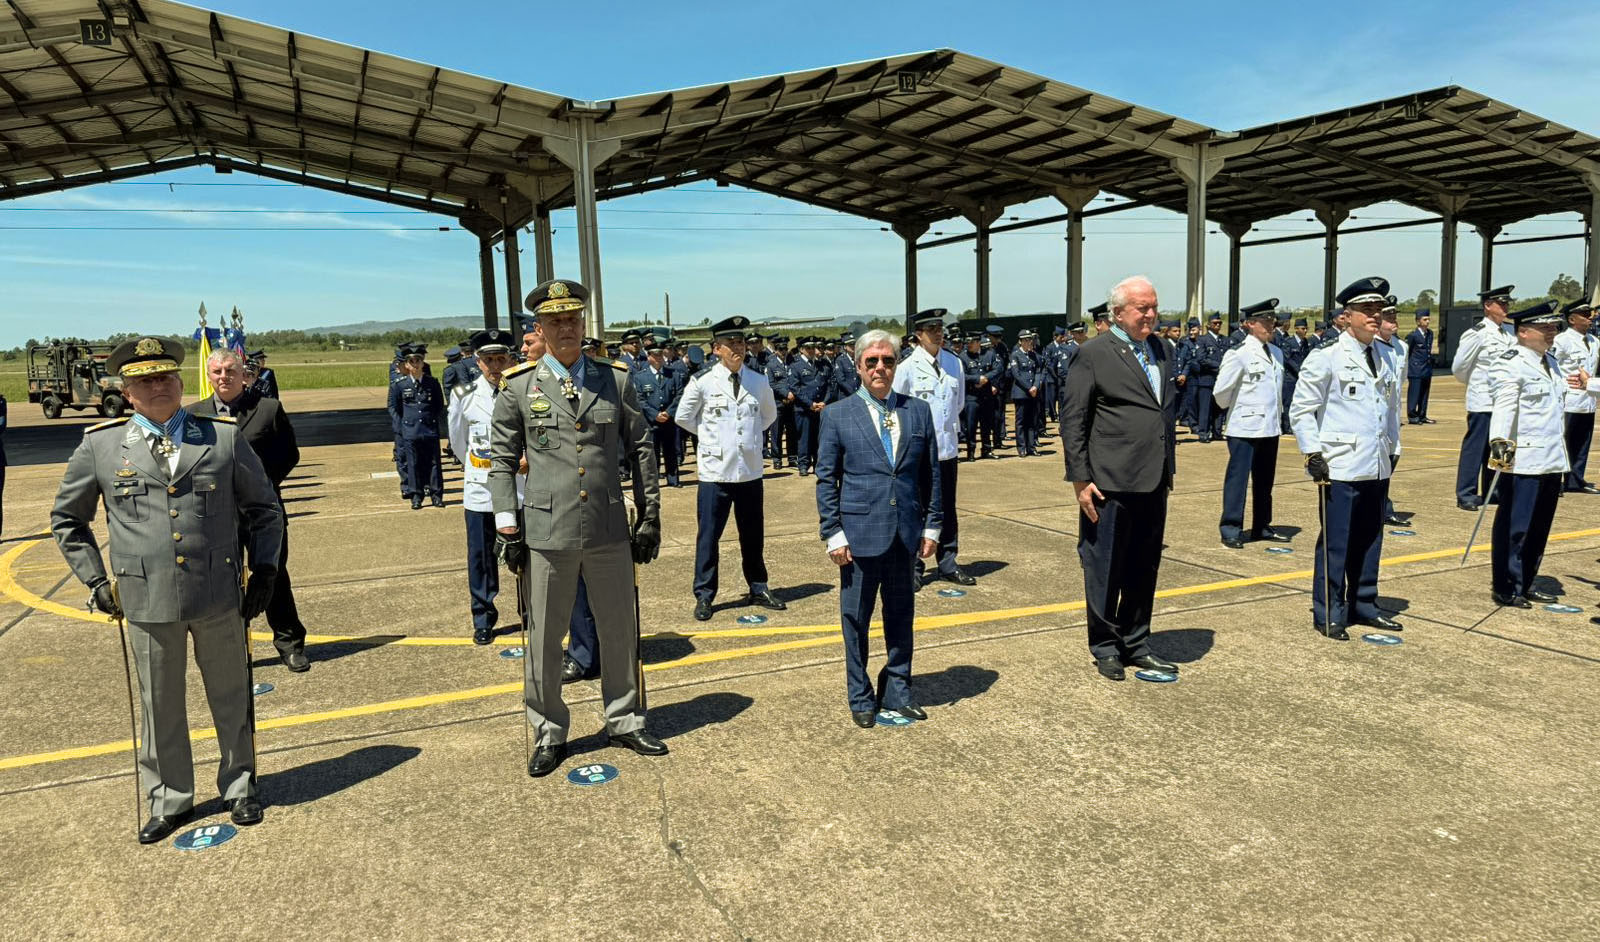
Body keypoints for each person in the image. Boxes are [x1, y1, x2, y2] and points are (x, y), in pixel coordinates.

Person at [51, 336, 282, 843]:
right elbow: (67, 519)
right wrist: (95, 580)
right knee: (159, 705)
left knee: (232, 696)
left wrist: (265, 568)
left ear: (180, 384)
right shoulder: (101, 446)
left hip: (217, 593)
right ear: (127, 392)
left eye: (165, 377)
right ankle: (170, 798)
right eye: (146, 380)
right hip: (146, 598)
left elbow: (264, 509)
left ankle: (240, 786)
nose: (158, 386)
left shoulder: (221, 438)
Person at [490, 278, 666, 778]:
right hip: (547, 533)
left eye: (572, 319)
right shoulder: (519, 385)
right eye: (555, 321)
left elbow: (642, 448)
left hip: (608, 527)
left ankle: (625, 719)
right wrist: (507, 526)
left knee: (619, 631)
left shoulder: (615, 379)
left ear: (583, 323)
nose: (566, 328)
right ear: (540, 328)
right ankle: (549, 730)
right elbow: (500, 461)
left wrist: (649, 514)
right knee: (546, 639)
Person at [815, 329, 941, 727]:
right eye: (872, 361)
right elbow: (826, 479)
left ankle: (898, 690)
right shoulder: (837, 415)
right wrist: (833, 533)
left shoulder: (917, 411)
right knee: (856, 621)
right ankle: (861, 696)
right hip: (858, 537)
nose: (880, 368)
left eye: (887, 360)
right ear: (858, 366)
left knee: (901, 616)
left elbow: (931, 475)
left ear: (896, 364)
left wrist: (932, 527)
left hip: (905, 534)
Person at [1060, 276, 1181, 682]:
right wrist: (1080, 479)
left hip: (1154, 477)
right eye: (1142, 308)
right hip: (1108, 481)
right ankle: (1106, 646)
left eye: (1154, 306)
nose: (1151, 314)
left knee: (1144, 567)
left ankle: (1137, 642)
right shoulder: (1093, 353)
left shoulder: (1162, 349)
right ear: (1117, 313)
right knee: (1105, 568)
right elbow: (1074, 419)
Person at [1290, 277, 1405, 640]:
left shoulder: (1386, 354)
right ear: (1347, 315)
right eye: (1367, 309)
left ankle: (1364, 604)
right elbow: (1301, 410)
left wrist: (1394, 447)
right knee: (1336, 543)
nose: (1375, 316)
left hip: (1376, 462)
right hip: (1339, 465)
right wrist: (1312, 452)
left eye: (1379, 309)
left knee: (1371, 540)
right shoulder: (1327, 356)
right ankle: (1328, 611)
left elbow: (1391, 407)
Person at [190, 348, 309, 672]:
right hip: (216, 514)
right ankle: (231, 648)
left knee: (274, 576)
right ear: (209, 376)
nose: (224, 377)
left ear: (243, 374)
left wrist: (258, 486)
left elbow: (289, 454)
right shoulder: (194, 415)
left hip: (262, 514)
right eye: (217, 372)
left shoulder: (268, 409)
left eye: (230, 370)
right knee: (221, 581)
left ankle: (290, 643)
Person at [676, 316, 783, 621]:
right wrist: (713, 439)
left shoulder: (758, 381)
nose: (738, 348)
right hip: (716, 473)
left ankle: (758, 586)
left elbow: (768, 416)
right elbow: (684, 417)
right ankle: (704, 594)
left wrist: (748, 441)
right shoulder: (703, 382)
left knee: (753, 534)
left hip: (749, 471)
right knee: (709, 537)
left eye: (741, 342)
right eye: (730, 343)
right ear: (716, 349)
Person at [1488, 301, 1588, 607]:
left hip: (1552, 459)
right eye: (1544, 327)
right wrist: (1500, 448)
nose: (1551, 331)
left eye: (1553, 326)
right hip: (1524, 461)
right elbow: (1504, 408)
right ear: (1523, 332)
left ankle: (1526, 581)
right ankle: (1506, 586)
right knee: (1515, 527)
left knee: (1539, 526)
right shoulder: (1511, 362)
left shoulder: (1552, 362)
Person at [446, 328, 520, 646]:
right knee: (481, 557)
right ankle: (483, 617)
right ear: (478, 361)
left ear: (510, 359)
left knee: (525, 554)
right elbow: (458, 440)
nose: (495, 366)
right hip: (481, 487)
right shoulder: (464, 395)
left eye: (500, 359)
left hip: (518, 487)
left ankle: (530, 609)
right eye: (489, 360)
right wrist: (476, 468)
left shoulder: (521, 390)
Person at [894, 309, 974, 588]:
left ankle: (948, 562)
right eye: (931, 330)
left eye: (940, 329)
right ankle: (914, 567)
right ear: (919, 335)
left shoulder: (954, 363)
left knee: (947, 508)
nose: (938, 334)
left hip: (947, 449)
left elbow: (958, 403)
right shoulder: (906, 368)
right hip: (918, 453)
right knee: (917, 508)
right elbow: (897, 408)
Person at [1214, 298, 1290, 549]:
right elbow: (1221, 392)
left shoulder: (1276, 353)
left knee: (1265, 481)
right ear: (1250, 324)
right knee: (1238, 481)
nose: (1271, 325)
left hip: (1270, 427)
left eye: (1272, 321)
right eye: (1265, 321)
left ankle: (1262, 525)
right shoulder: (1238, 354)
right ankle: (1231, 528)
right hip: (1244, 427)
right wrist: (1239, 411)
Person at [1452, 286, 1517, 510]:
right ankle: (1466, 494)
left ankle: (1494, 491)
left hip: (1504, 401)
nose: (1506, 307)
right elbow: (1459, 368)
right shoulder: (1477, 333)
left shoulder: (1509, 332)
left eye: (1507, 303)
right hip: (1483, 400)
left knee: (1500, 445)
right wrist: (1478, 386)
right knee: (1476, 448)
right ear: (1488, 306)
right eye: (1501, 303)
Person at [388, 344, 445, 509]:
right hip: (410, 430)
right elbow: (394, 407)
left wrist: (430, 420)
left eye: (418, 361)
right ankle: (416, 496)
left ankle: (436, 495)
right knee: (412, 464)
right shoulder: (399, 385)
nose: (415, 364)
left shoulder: (432, 383)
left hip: (429, 429)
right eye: (411, 361)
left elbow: (438, 405)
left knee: (434, 463)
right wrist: (403, 424)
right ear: (406, 365)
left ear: (423, 362)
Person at [1552, 300, 1600, 494]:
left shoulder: (1594, 341)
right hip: (1568, 399)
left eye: (1590, 313)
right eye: (1585, 314)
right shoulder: (1561, 340)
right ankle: (1554, 481)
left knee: (1582, 442)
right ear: (1572, 319)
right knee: (1562, 442)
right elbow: (1551, 366)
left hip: (1588, 400)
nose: (1590, 317)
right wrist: (1562, 385)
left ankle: (1575, 480)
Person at [636, 338, 684, 488]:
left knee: (671, 450)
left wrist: (668, 412)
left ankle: (673, 479)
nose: (658, 358)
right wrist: (654, 414)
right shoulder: (640, 377)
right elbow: (640, 399)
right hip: (651, 421)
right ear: (649, 356)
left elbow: (680, 394)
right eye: (654, 355)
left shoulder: (673, 374)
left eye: (660, 354)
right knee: (653, 452)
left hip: (669, 420)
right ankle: (654, 481)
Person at [789, 337, 826, 475]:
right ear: (801, 349)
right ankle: (803, 465)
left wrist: (823, 402)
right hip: (803, 409)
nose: (811, 350)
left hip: (818, 408)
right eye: (808, 348)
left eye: (813, 347)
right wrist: (810, 404)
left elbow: (826, 384)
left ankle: (817, 464)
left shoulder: (820, 364)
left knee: (817, 438)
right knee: (804, 438)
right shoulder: (796, 366)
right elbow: (795, 388)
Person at [1190, 314, 1226, 442]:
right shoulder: (1202, 340)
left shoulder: (1224, 340)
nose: (1218, 325)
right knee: (1205, 408)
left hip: (1220, 379)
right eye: (1215, 323)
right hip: (1207, 378)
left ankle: (1217, 432)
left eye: (1219, 323)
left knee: (1219, 407)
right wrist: (1219, 366)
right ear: (1208, 325)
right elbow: (1201, 359)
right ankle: (1203, 433)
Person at [1008, 329, 1043, 456]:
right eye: (1026, 340)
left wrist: (1036, 386)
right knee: (1021, 421)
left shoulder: (1033, 355)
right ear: (1020, 341)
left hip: (1033, 392)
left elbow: (1038, 372)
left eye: (1030, 340)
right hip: (1021, 393)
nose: (1029, 342)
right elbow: (1016, 374)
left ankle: (1031, 447)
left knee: (1032, 421)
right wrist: (1029, 388)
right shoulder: (1015, 355)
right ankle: (1022, 447)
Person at [766, 335, 795, 468]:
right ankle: (777, 459)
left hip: (792, 402)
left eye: (785, 349)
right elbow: (771, 384)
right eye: (780, 349)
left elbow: (795, 380)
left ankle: (792, 457)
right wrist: (785, 394)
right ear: (776, 350)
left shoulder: (792, 362)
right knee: (776, 432)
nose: (783, 352)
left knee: (791, 431)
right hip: (778, 402)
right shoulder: (771, 365)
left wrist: (792, 394)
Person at [1406, 311, 1435, 423]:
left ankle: (1422, 415)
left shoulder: (1430, 334)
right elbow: (1408, 352)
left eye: (1428, 319)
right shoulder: (1413, 336)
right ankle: (1413, 416)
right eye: (1425, 319)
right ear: (1418, 321)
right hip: (1415, 369)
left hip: (1426, 368)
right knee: (1414, 393)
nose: (1427, 322)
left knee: (1424, 394)